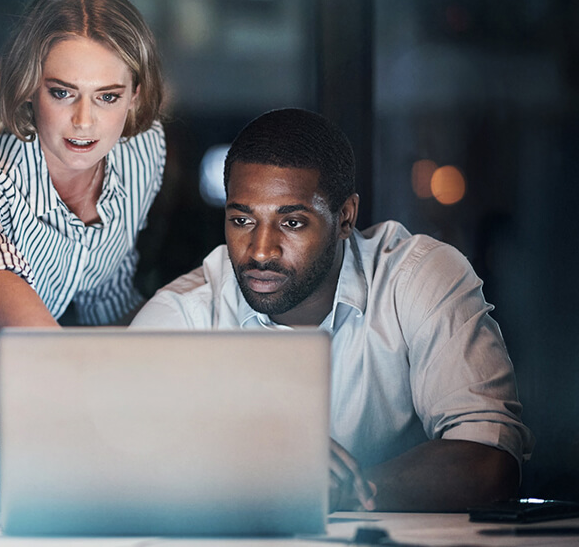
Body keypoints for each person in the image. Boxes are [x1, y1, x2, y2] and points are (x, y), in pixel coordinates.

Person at [132, 108, 532, 512]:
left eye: (291, 223)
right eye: (241, 220)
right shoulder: (180, 317)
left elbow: (491, 461)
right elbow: (116, 472)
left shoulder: (416, 279)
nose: (260, 250)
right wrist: (246, 468)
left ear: (344, 218)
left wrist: (334, 492)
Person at [0, 0, 166, 356]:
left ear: (135, 96)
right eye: (62, 92)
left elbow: (106, 293)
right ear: (29, 85)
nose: (84, 120)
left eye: (107, 97)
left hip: (49, 378)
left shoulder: (141, 149)